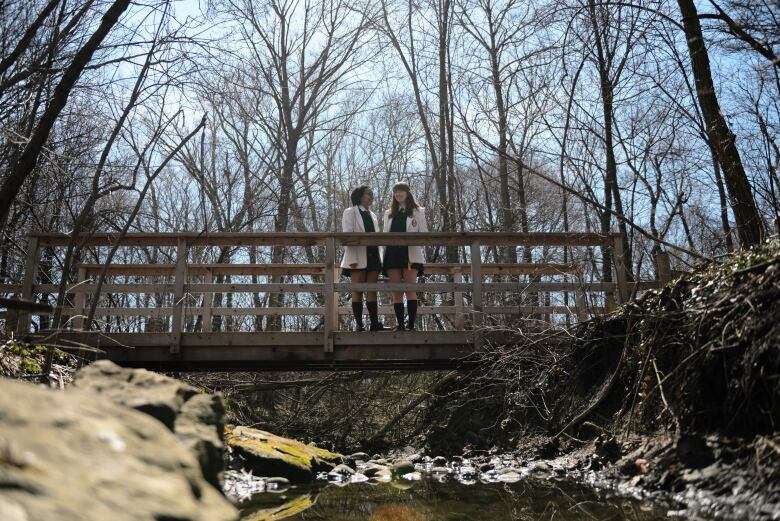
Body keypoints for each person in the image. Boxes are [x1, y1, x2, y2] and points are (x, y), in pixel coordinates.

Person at [340, 185, 387, 331]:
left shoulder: (372, 215)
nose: (372, 196)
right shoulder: (350, 212)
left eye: (372, 194)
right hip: (357, 256)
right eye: (369, 194)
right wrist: (352, 258)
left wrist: (381, 258)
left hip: (374, 255)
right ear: (360, 195)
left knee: (372, 289)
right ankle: (359, 325)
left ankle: (374, 324)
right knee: (357, 290)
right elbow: (347, 235)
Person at [383, 181, 427, 331]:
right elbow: (384, 236)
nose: (398, 194)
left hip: (411, 254)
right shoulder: (388, 213)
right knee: (396, 291)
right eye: (395, 192)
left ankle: (411, 325)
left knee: (410, 289)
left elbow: (425, 234)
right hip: (392, 255)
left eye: (401, 191)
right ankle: (401, 325)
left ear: (408, 193)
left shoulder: (418, 211)